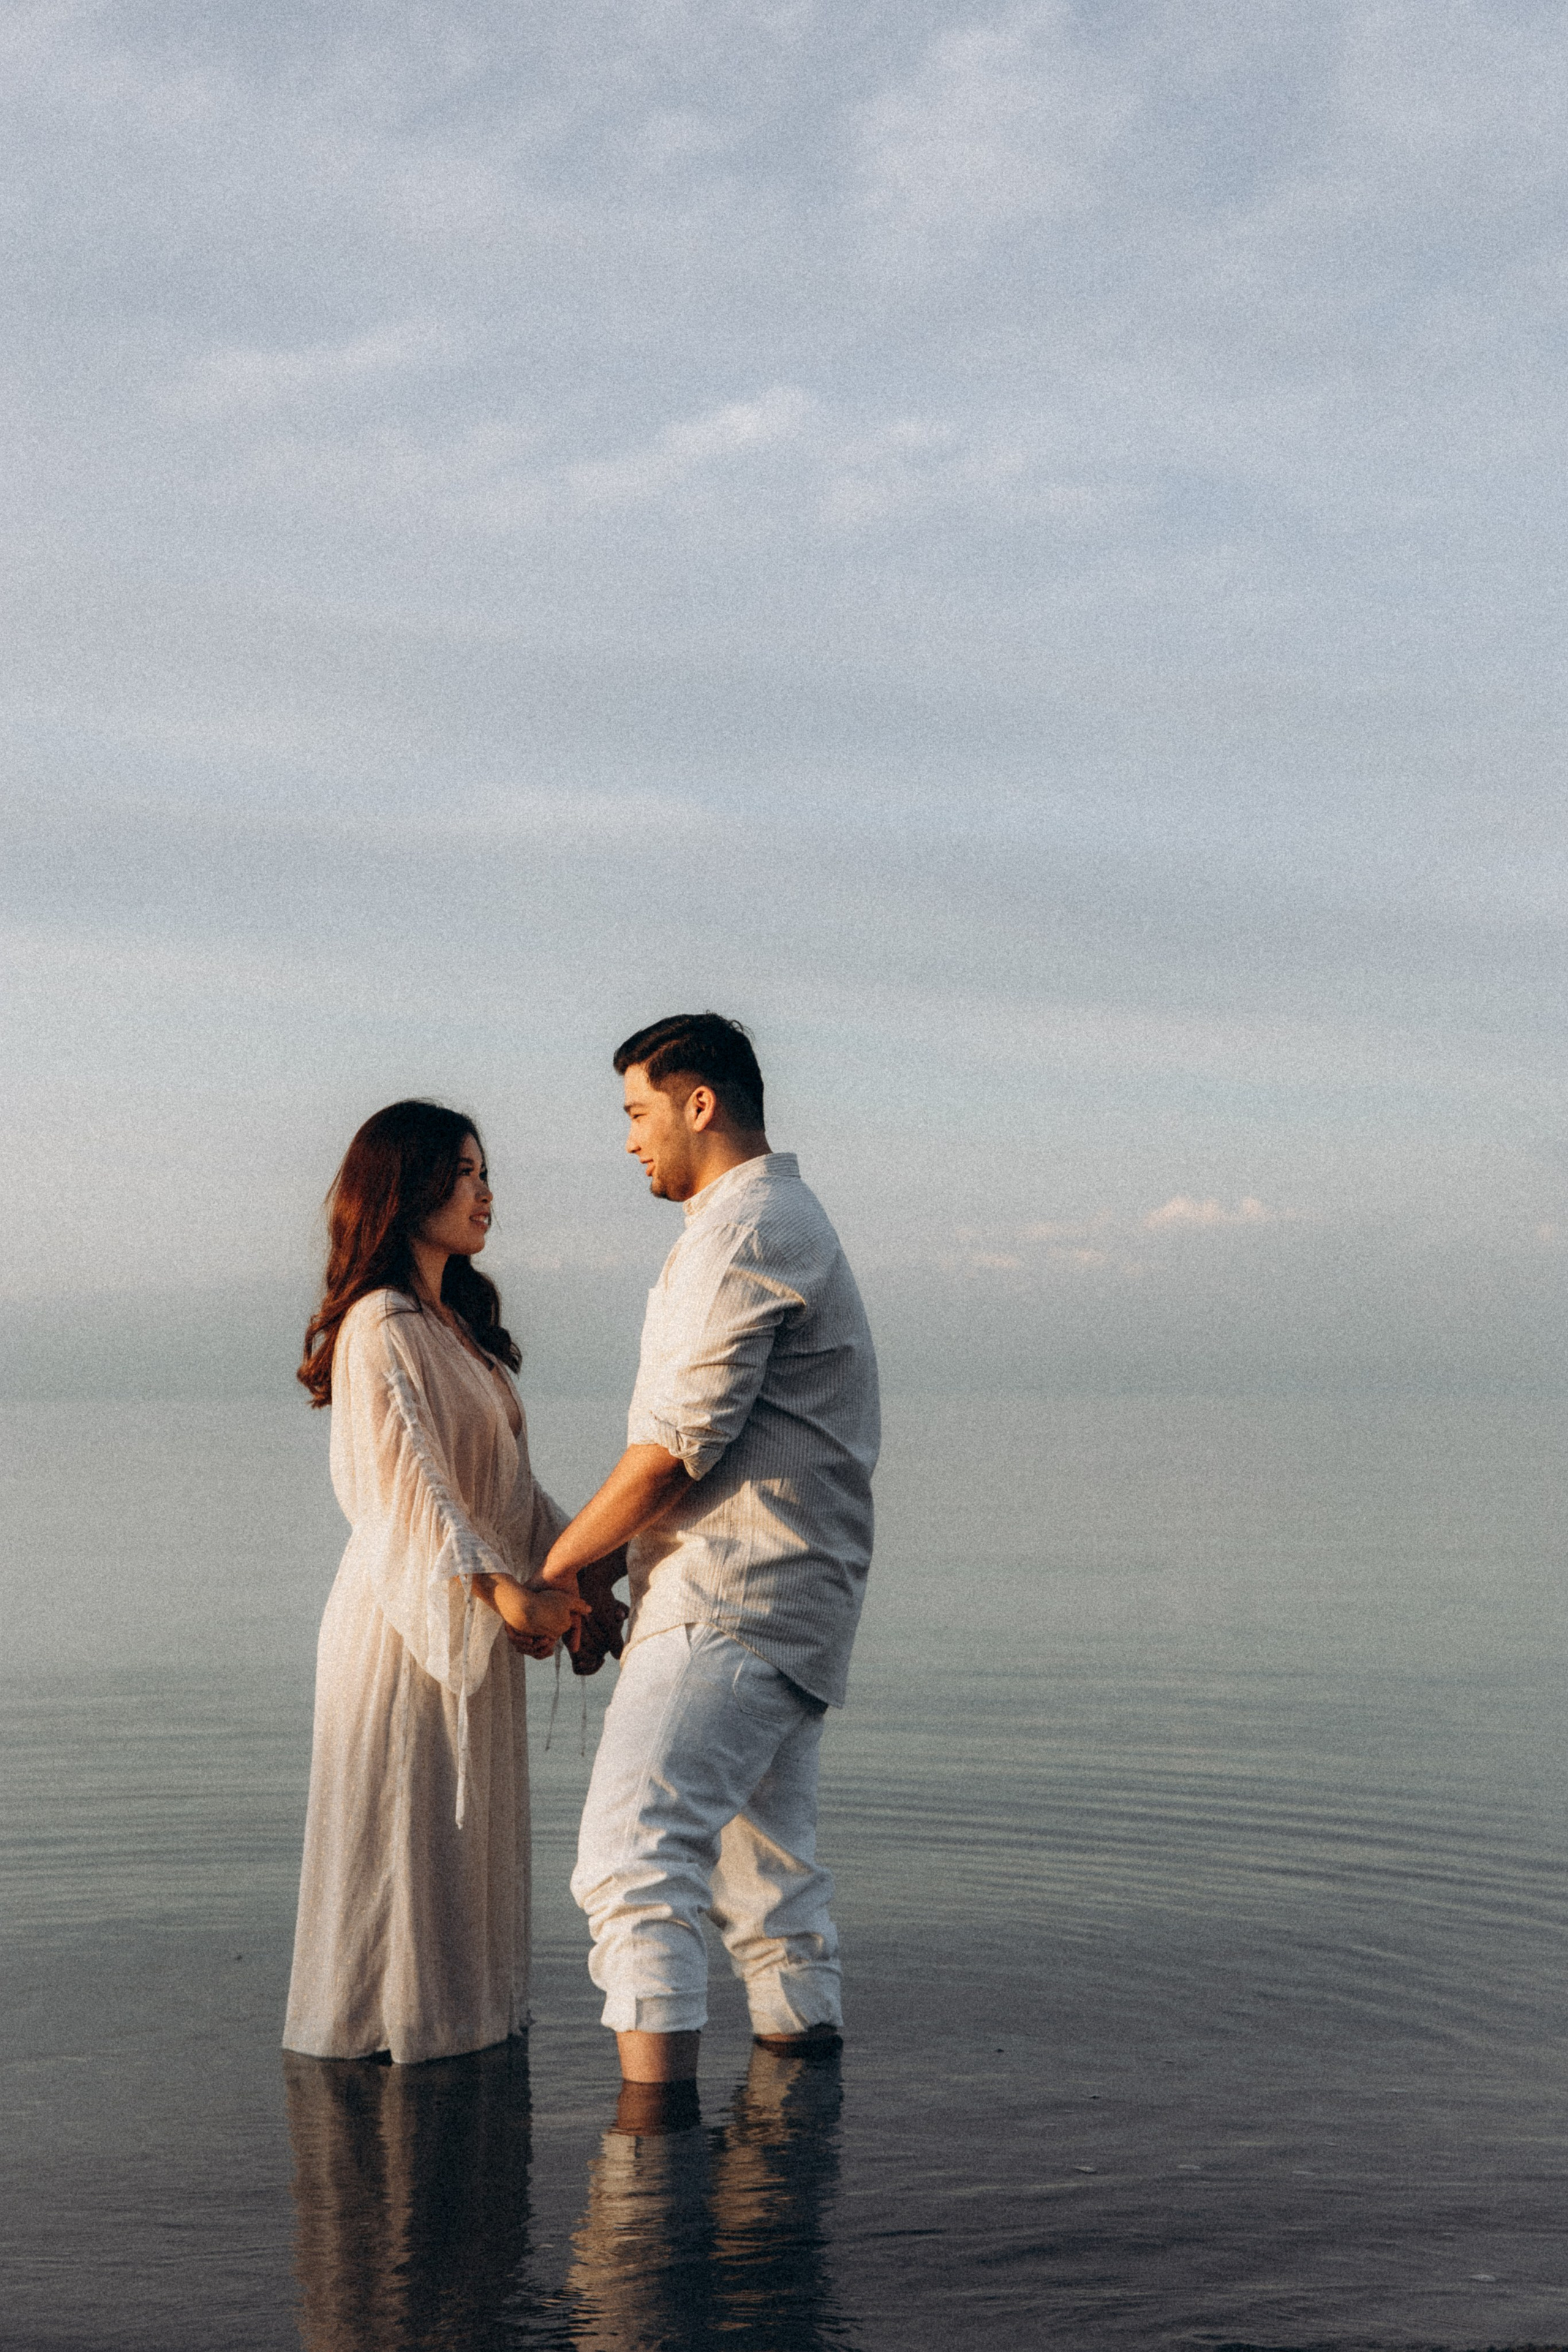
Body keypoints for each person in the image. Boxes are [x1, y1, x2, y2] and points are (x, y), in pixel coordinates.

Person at [540, 1015, 880, 2099]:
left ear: (700, 1104)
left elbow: (677, 1448)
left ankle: (649, 2161)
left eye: (639, 1113)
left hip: (732, 1597)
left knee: (632, 1862)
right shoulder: (776, 1222)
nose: (631, 1141)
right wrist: (606, 1566)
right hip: (790, 1603)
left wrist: (563, 1569)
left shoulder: (747, 1229)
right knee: (773, 1895)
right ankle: (793, 2154)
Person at [283, 1100, 586, 2067]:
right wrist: (503, 1595)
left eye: (486, 1170)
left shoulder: (457, 1328)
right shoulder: (381, 1324)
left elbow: (509, 1495)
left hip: (469, 1608)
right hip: (406, 1622)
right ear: (406, 1187)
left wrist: (584, 1581)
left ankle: (458, 2059)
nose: (486, 1191)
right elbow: (410, 1485)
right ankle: (390, 2064)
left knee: (457, 1868)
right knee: (403, 1850)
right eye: (464, 1172)